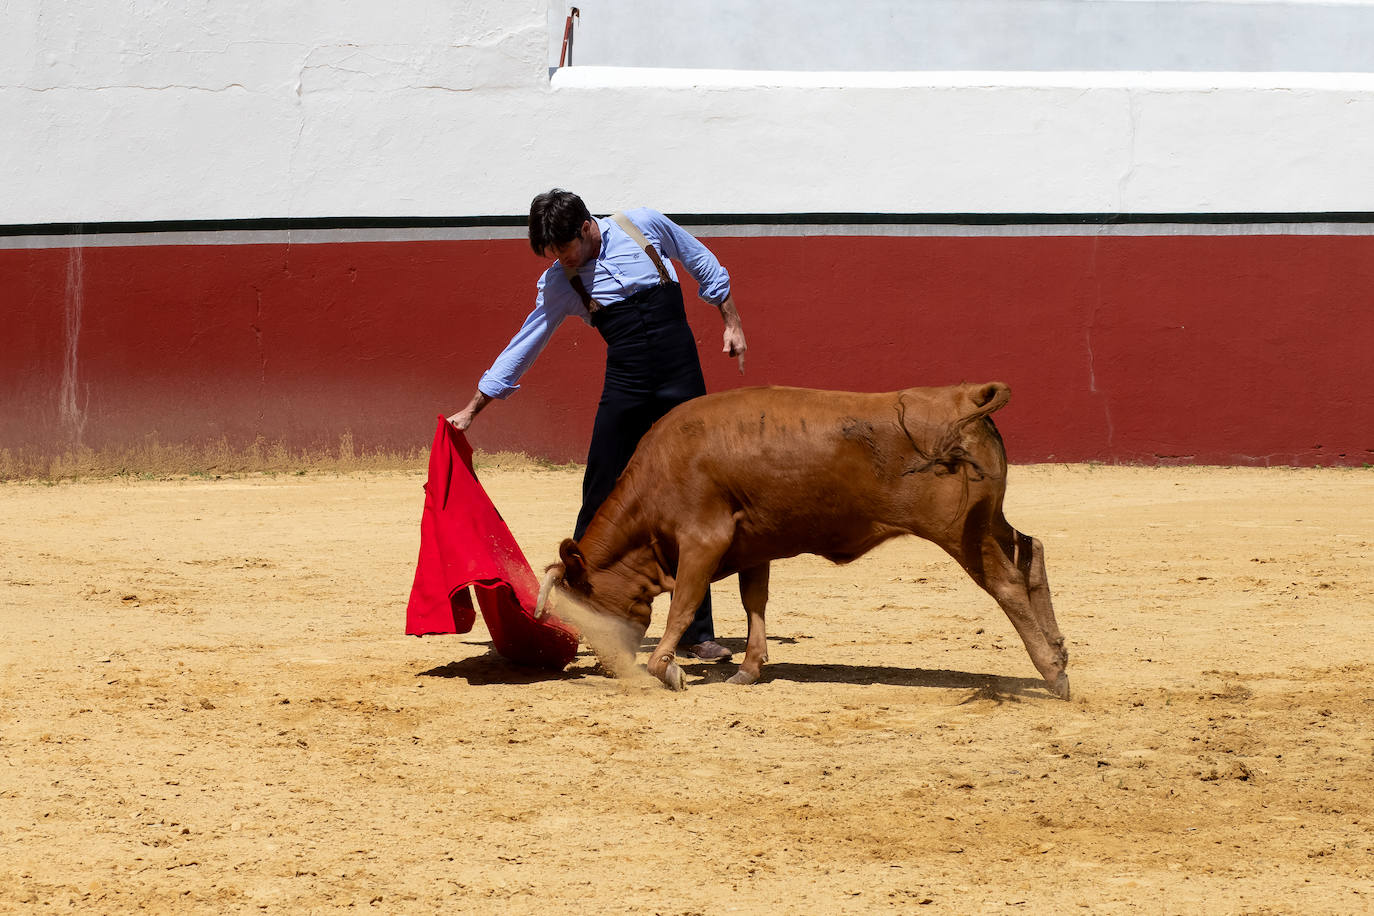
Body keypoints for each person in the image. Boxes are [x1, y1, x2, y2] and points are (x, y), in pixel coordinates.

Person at [449, 189, 747, 661]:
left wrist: (730, 321)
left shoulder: (642, 224)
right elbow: (524, 344)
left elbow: (700, 260)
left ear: (587, 226)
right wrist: (473, 408)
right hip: (627, 382)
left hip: (681, 375)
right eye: (550, 252)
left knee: (694, 497)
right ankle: (576, 610)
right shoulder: (561, 281)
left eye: (562, 247)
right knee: (600, 490)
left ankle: (694, 631)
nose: (558, 259)